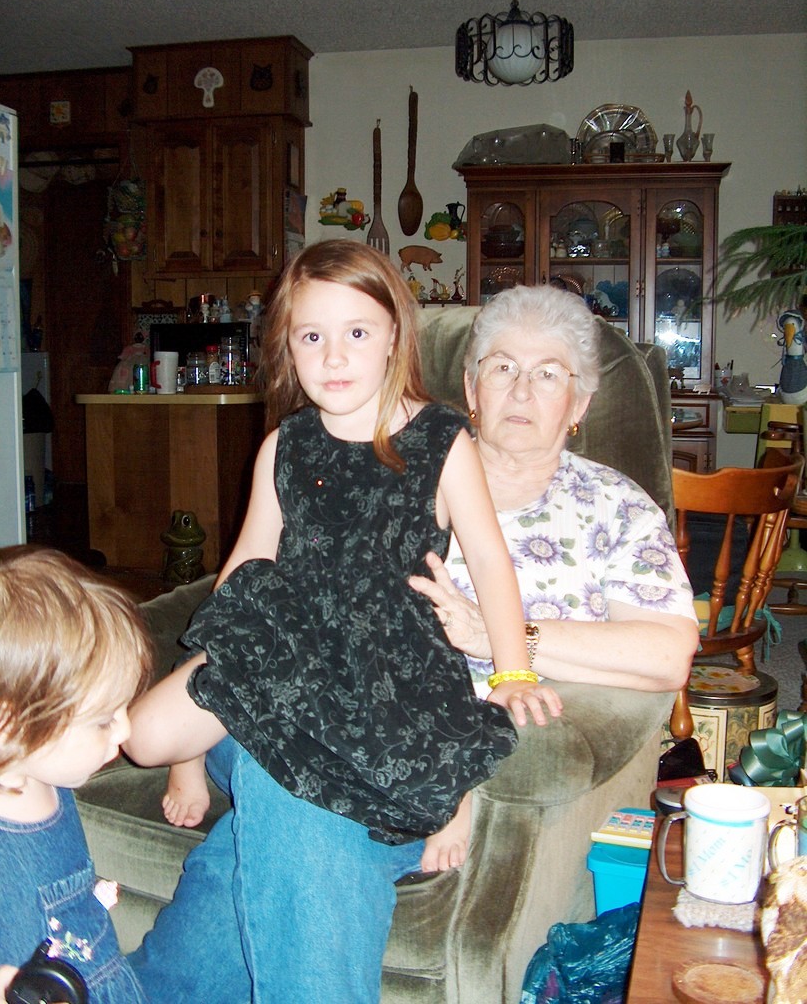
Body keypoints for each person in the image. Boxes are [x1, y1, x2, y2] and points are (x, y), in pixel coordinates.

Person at [125, 241, 562, 1003]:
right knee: (142, 736)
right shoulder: (283, 446)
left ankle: (441, 790)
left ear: (394, 336)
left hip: (383, 668)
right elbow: (245, 567)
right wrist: (201, 697)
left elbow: (492, 563)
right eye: (311, 336)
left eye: (357, 332)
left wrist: (513, 668)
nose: (333, 356)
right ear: (286, 347)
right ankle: (196, 754)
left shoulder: (441, 439)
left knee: (295, 790)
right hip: (284, 646)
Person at [409, 284, 698, 720]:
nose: (521, 392)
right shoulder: (408, 482)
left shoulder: (618, 506)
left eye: (547, 374)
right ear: (472, 389)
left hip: (542, 732)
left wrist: (502, 637)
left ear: (579, 405)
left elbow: (669, 655)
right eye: (503, 367)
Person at [0, 547, 153, 1004]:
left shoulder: (46, 775)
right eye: (104, 719)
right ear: (10, 726)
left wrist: (86, 905)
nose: (124, 731)